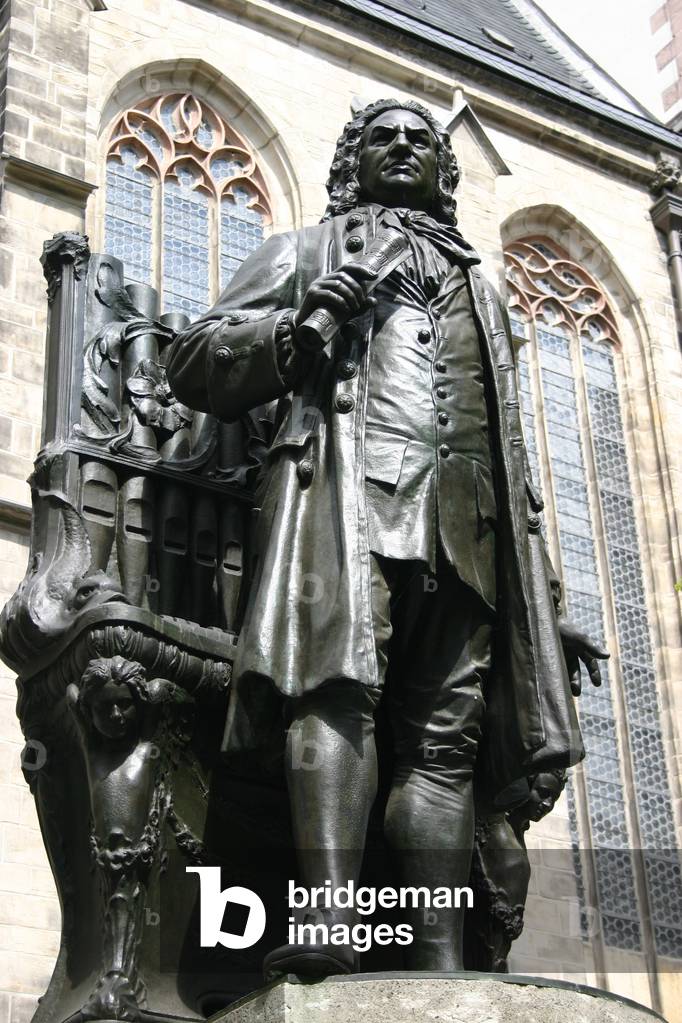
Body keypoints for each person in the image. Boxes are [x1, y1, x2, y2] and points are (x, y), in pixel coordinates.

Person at [167, 98, 607, 976]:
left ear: (445, 172)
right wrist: (294, 331)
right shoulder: (303, 251)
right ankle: (330, 916)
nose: (403, 146)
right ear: (352, 162)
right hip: (347, 502)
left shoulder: (482, 288)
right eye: (383, 136)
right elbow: (193, 359)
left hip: (469, 532)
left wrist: (545, 606)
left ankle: (440, 956)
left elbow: (514, 458)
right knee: (335, 692)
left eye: (420, 139)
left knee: (445, 745)